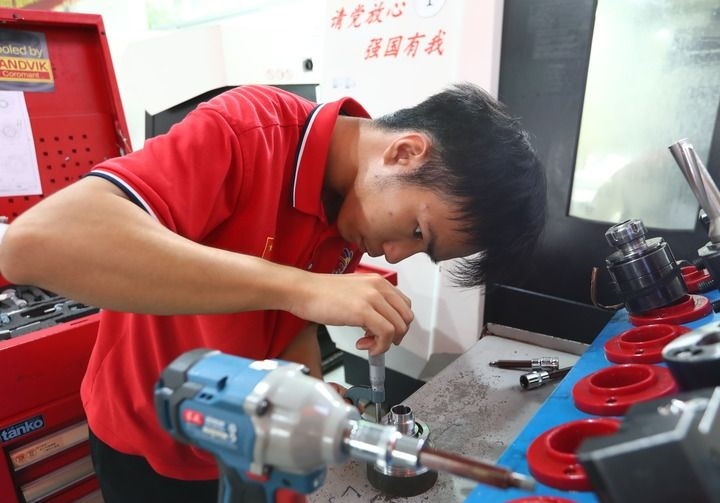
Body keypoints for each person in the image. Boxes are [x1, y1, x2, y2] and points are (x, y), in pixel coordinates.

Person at [0, 82, 546, 502]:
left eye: (419, 252)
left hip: (247, 448)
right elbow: (33, 246)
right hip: (149, 444)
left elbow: (284, 327)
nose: (395, 255)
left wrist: (309, 391)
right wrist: (301, 287)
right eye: (417, 232)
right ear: (405, 152)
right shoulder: (246, 132)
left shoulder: (350, 206)